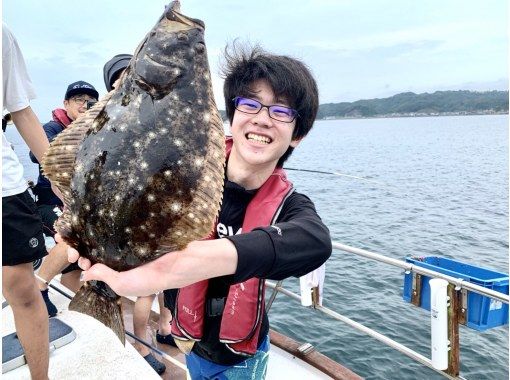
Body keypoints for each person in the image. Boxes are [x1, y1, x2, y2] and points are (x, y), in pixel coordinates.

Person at [69, 45, 331, 379]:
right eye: (250, 104)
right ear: (233, 115)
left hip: (240, 359)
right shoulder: (179, 175)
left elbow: (315, 241)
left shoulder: (290, 207)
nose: (262, 118)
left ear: (298, 135)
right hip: (187, 341)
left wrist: (181, 265)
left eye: (281, 112)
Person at [104, 53, 176, 375]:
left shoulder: (113, 119)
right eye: (119, 80)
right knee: (136, 286)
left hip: (155, 214)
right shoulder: (111, 120)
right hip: (125, 218)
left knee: (159, 283)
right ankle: (137, 343)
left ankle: (156, 334)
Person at [2, 23, 53, 380]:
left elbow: (20, 110)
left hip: (4, 185)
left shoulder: (2, 36)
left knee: (21, 286)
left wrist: (59, 177)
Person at [29, 80, 99, 316]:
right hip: (49, 203)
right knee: (73, 235)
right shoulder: (50, 128)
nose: (84, 105)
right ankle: (38, 286)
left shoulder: (98, 129)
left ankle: (74, 292)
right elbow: (35, 153)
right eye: (78, 100)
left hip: (79, 204)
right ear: (66, 103)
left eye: (89, 101)